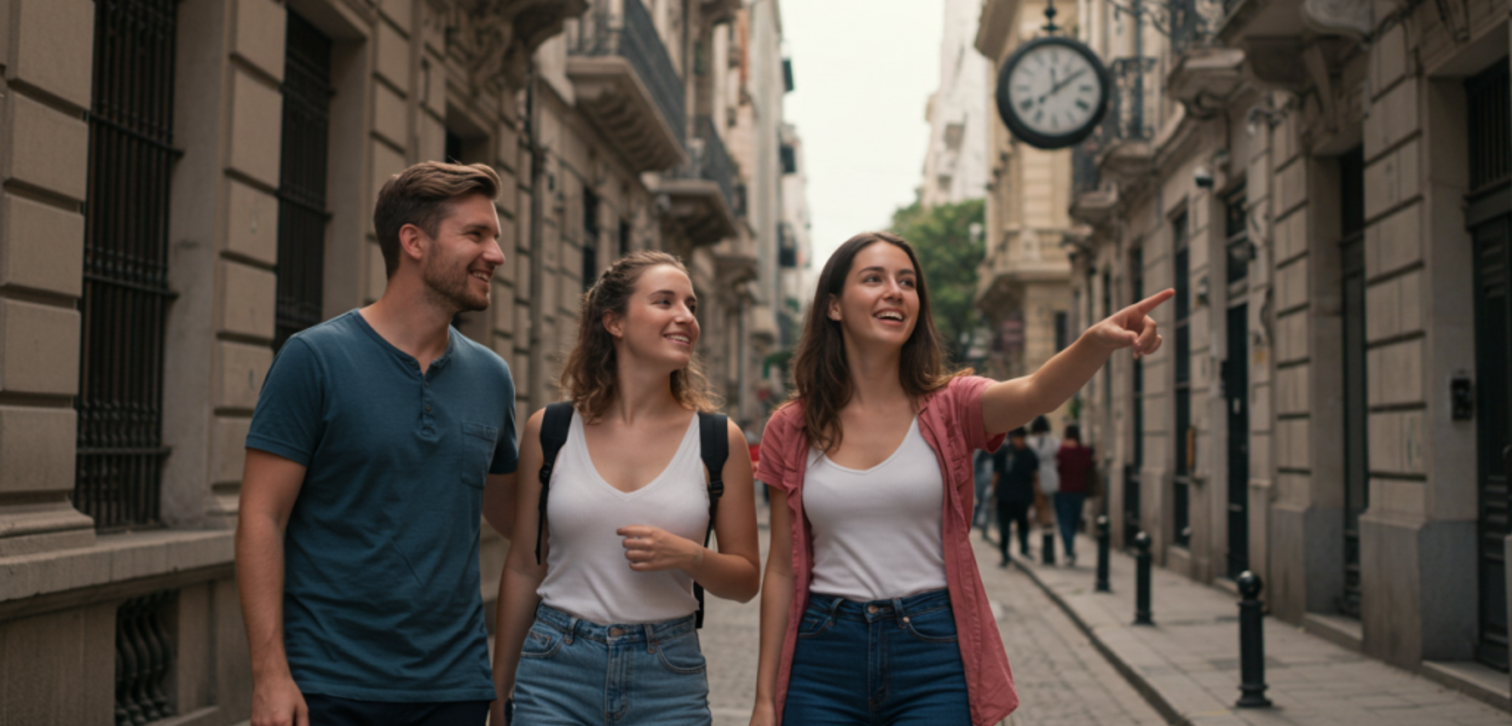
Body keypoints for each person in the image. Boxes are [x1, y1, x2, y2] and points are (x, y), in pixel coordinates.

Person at [750, 231, 1171, 726]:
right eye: (873, 279)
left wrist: (1095, 342)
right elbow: (781, 568)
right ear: (834, 306)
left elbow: (1037, 392)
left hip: (932, 653)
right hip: (823, 657)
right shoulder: (792, 426)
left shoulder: (953, 406)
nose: (895, 291)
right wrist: (764, 700)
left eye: (907, 282)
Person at [238, 162, 518, 726]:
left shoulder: (492, 377)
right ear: (413, 241)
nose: (496, 254)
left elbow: (520, 521)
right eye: (476, 234)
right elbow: (260, 517)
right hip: (329, 684)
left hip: (454, 689)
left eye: (495, 237)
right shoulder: (314, 359)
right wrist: (271, 676)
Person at [492, 251, 761, 726]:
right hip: (555, 667)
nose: (686, 317)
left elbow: (745, 580)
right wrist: (499, 689)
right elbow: (523, 565)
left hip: (667, 674)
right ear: (613, 322)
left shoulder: (719, 440)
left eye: (691, 305)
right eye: (664, 301)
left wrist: (690, 556)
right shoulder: (550, 430)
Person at [992, 428, 1038, 567]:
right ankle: (1005, 555)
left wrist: (1036, 497)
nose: (1019, 441)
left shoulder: (1030, 454)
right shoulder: (1003, 453)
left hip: (1023, 496)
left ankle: (1024, 548)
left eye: (1021, 438)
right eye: (1017, 438)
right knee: (1004, 529)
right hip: (1004, 497)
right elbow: (996, 475)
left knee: (1023, 524)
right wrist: (994, 493)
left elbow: (1035, 477)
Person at [1054, 423, 1096, 566]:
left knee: (1065, 522)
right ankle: (1070, 550)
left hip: (1063, 490)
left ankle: (1069, 551)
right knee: (1073, 521)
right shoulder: (1084, 451)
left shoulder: (1061, 450)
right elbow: (1088, 466)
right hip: (1079, 491)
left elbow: (1057, 468)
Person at [1027, 416, 1060, 557]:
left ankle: (1040, 542)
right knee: (1046, 510)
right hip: (1048, 478)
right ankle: (1044, 534)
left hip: (1038, 479)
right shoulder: (1053, 441)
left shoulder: (1030, 441)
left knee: (1036, 509)